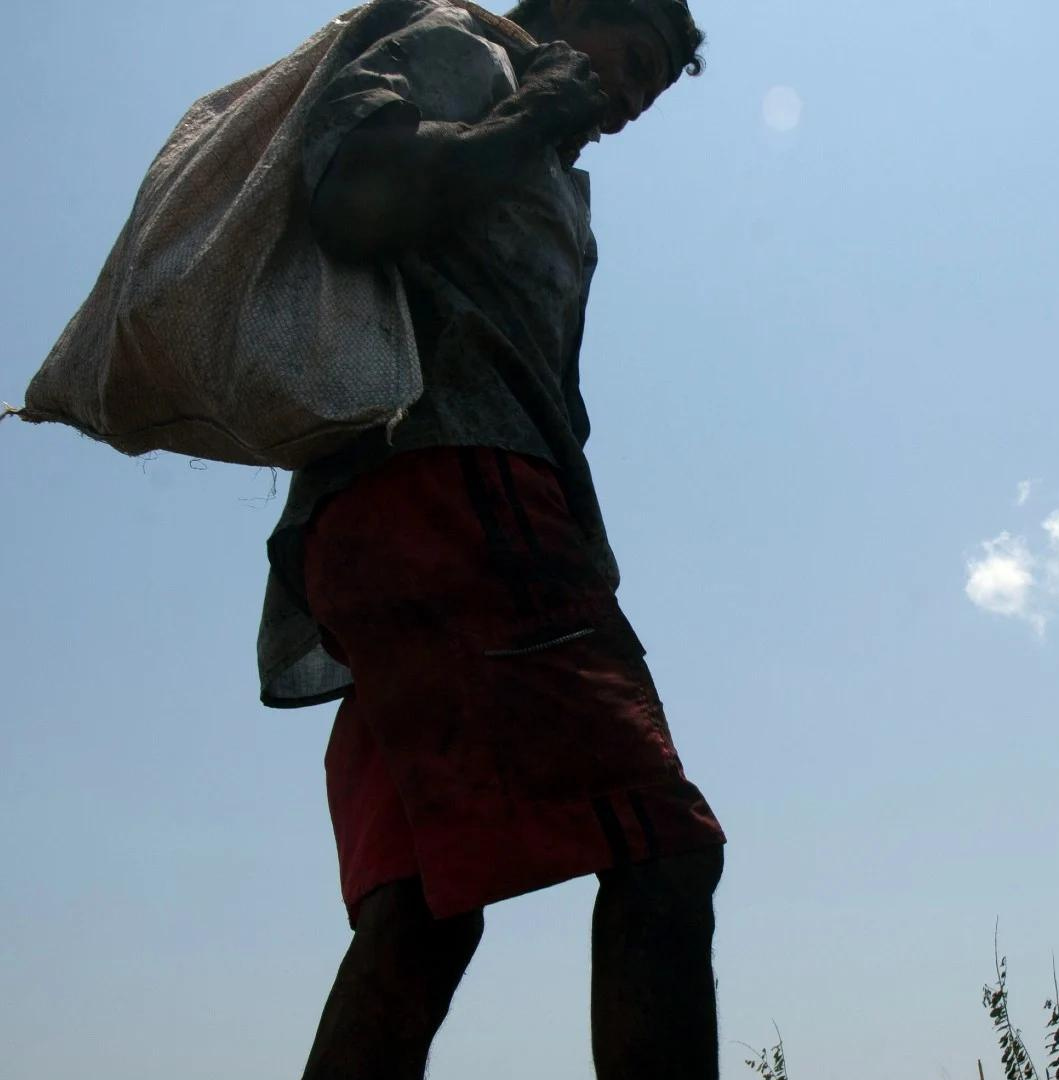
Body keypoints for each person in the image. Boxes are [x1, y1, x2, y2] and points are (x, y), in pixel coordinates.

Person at [249, 1, 727, 1076]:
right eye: (634, 57)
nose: (634, 98)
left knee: (424, 912)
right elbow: (352, 198)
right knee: (665, 851)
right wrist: (527, 117)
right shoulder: (455, 52)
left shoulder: (564, 183)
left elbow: (549, 388)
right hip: (453, 497)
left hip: (431, 525)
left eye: (656, 85)